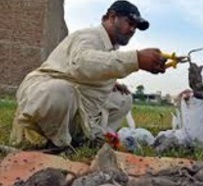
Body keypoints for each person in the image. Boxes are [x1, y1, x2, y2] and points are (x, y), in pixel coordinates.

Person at [9, 0, 166, 149]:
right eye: (130, 23)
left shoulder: (111, 48)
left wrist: (110, 83)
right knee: (59, 91)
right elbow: (82, 64)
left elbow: (94, 70)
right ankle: (54, 143)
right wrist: (136, 59)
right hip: (45, 93)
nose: (132, 30)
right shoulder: (89, 36)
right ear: (112, 17)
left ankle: (88, 138)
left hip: (78, 101)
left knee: (123, 99)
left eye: (136, 27)